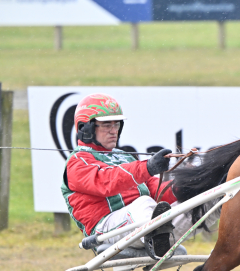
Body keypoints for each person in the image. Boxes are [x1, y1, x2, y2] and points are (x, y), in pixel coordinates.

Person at [61, 93, 187, 257]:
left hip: (140, 224)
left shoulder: (125, 157)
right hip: (106, 231)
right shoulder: (77, 162)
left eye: (116, 124)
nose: (114, 131)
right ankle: (157, 241)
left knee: (201, 201)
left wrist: (188, 186)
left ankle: (162, 241)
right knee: (144, 202)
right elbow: (107, 182)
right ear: (86, 128)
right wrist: (148, 167)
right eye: (107, 125)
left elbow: (156, 190)